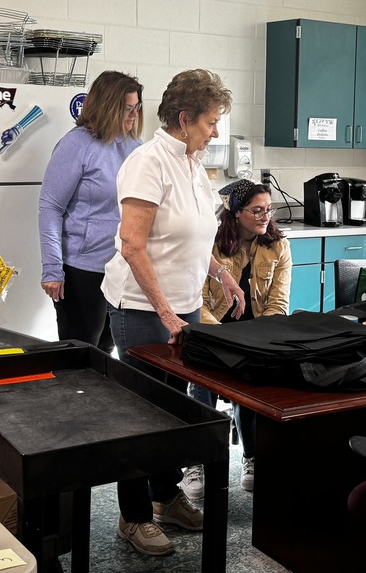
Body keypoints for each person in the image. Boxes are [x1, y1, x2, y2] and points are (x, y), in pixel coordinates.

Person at [101, 68, 244, 557]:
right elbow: (132, 244)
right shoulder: (148, 163)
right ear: (184, 119)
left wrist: (220, 274)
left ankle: (165, 496)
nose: (215, 132)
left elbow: (193, 235)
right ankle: (133, 516)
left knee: (175, 412)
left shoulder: (193, 163)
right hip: (142, 309)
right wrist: (165, 313)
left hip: (185, 309)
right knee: (140, 416)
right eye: (210, 122)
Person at [181, 178, 292, 500]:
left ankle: (252, 456)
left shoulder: (278, 246)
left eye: (269, 209)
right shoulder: (210, 245)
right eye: (257, 210)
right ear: (236, 212)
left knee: (253, 385)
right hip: (213, 332)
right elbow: (197, 301)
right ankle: (197, 461)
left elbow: (278, 303)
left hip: (254, 335)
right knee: (200, 385)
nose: (265, 217)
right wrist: (220, 338)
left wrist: (257, 340)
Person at [38, 71, 144, 351]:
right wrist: (52, 268)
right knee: (80, 356)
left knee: (108, 353)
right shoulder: (77, 144)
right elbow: (50, 208)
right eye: (127, 109)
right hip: (82, 270)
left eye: (137, 107)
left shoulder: (136, 147)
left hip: (122, 268)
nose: (134, 115)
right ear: (108, 107)